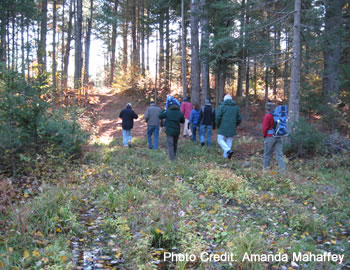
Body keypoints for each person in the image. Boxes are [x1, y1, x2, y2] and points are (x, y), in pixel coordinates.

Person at [216, 94, 242, 159]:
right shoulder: (236, 107)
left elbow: (217, 117)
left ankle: (228, 151)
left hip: (222, 127)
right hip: (232, 128)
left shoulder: (222, 106)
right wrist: (235, 124)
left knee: (220, 140)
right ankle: (226, 157)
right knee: (229, 141)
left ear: (224, 99)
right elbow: (239, 119)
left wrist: (217, 125)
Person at [263, 102, 286, 171]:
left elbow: (265, 128)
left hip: (270, 137)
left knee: (267, 154)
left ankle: (266, 170)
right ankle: (283, 171)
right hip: (278, 136)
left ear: (267, 109)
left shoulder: (267, 116)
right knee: (279, 155)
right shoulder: (277, 115)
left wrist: (264, 136)